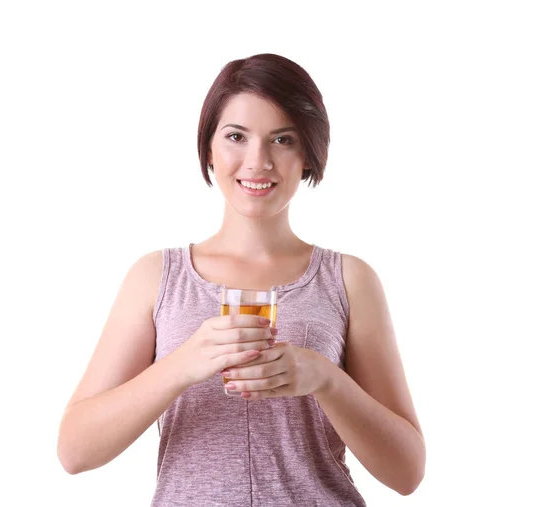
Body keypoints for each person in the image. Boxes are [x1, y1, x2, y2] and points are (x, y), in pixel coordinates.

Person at [57, 53, 426, 506]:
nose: (258, 161)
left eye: (282, 140)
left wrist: (327, 379)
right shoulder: (156, 277)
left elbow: (407, 472)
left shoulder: (349, 279)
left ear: (308, 154)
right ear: (208, 149)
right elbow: (74, 451)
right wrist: (181, 365)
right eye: (236, 136)